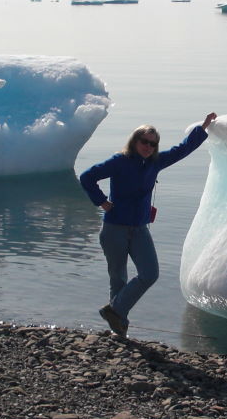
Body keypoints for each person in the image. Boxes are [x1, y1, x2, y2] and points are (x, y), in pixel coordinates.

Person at [79, 112, 217, 337]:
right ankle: (119, 330)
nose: (149, 147)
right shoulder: (119, 162)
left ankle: (113, 311)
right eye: (144, 141)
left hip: (140, 229)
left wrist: (203, 128)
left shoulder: (156, 163)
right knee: (118, 278)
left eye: (153, 144)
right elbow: (87, 177)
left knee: (149, 273)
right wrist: (102, 202)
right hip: (115, 228)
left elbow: (182, 150)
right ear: (134, 141)